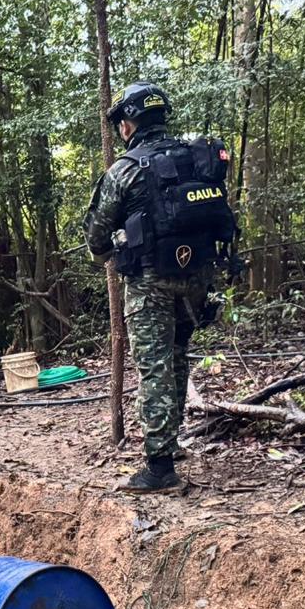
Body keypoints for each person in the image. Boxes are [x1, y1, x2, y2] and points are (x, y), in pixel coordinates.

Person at [85, 82, 237, 493]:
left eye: (121, 122)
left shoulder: (127, 169)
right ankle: (170, 441)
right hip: (199, 277)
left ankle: (160, 467)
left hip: (150, 280)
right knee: (177, 355)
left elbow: (96, 236)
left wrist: (113, 252)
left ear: (129, 123)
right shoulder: (195, 157)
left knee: (154, 365)